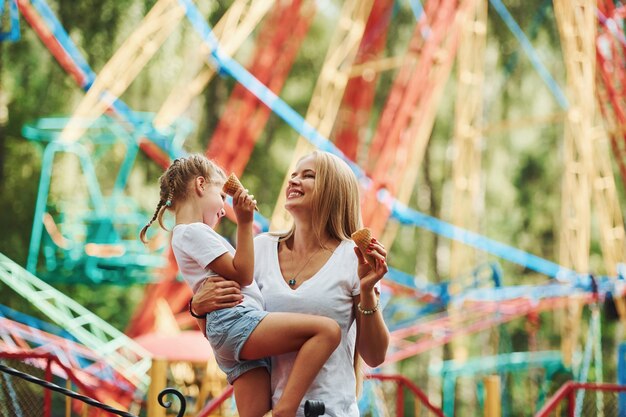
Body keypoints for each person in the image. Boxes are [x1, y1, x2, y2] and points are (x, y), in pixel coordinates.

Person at [140, 154, 342, 417]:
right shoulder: (194, 231)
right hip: (238, 323)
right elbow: (243, 274)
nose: (225, 209)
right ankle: (287, 410)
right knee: (327, 331)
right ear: (201, 185)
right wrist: (245, 222)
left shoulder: (184, 236)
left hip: (228, 331)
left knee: (255, 413)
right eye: (222, 197)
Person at [191, 151, 390, 417]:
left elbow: (375, 356)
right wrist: (197, 307)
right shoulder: (258, 250)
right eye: (294, 174)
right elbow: (225, 327)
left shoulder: (352, 257)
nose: (294, 181)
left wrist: (367, 292)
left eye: (308, 176)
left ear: (334, 191)